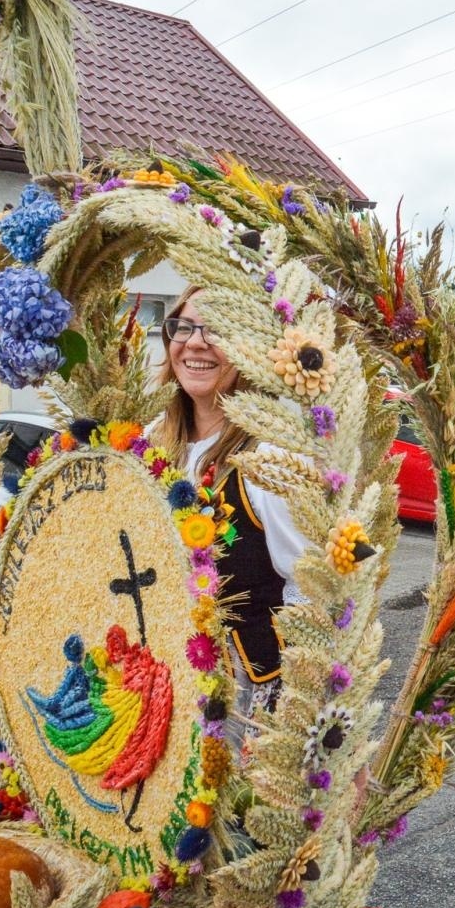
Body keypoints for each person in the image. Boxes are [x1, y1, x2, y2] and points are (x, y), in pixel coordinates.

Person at [152, 287, 305, 715]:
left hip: (246, 697)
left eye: (216, 330)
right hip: (162, 684)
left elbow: (313, 589)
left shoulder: (271, 459)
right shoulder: (150, 443)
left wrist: (301, 703)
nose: (195, 343)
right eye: (184, 327)